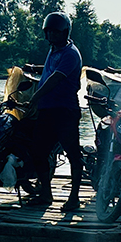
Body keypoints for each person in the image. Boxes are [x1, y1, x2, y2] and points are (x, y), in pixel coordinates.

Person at [24, 12, 85, 212]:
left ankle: (74, 197)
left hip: (65, 110)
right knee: (38, 151)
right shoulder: (53, 50)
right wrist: (34, 68)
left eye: (56, 32)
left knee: (73, 154)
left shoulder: (71, 53)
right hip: (47, 110)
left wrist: (34, 97)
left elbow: (55, 79)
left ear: (65, 32)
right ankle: (45, 193)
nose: (51, 35)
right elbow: (49, 71)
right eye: (48, 31)